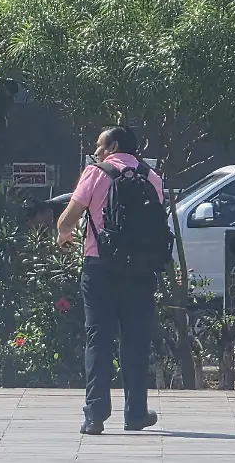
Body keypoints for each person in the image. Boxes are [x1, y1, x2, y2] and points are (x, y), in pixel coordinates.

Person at [56, 126, 164, 435]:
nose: (97, 151)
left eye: (99, 146)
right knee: (136, 340)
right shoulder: (151, 177)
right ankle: (136, 414)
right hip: (141, 271)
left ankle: (95, 416)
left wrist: (63, 234)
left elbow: (68, 219)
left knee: (99, 340)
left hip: (100, 267)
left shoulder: (96, 172)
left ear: (113, 145)